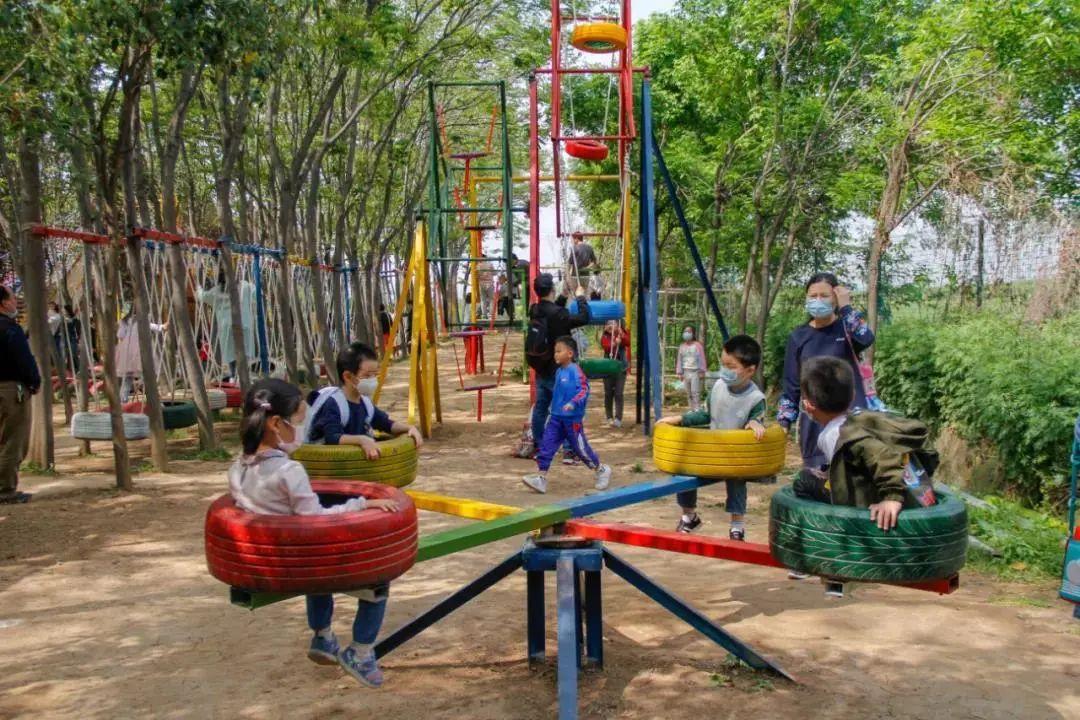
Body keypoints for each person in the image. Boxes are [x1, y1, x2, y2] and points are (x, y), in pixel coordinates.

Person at [229, 378, 400, 687]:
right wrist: (363, 505)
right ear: (276, 424)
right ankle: (360, 653)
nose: (302, 429)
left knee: (315, 557)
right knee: (378, 578)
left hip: (266, 559)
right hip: (300, 564)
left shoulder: (237, 468)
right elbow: (315, 522)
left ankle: (323, 635)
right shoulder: (289, 471)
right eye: (298, 421)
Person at [658, 335, 767, 540]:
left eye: (731, 366)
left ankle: (737, 526)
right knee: (686, 470)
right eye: (723, 364)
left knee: (736, 480)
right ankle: (689, 516)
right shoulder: (718, 386)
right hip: (712, 451)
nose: (724, 370)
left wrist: (755, 423)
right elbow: (705, 414)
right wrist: (679, 419)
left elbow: (757, 420)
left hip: (736, 457)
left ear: (750, 370)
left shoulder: (755, 399)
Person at [776, 272, 876, 483]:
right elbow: (791, 384)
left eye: (824, 295)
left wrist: (846, 307)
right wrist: (784, 422)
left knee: (855, 480)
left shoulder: (847, 328)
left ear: (836, 298)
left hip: (851, 420)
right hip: (815, 420)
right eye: (813, 296)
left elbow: (866, 338)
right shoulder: (798, 336)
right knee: (818, 482)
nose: (818, 300)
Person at [523, 335, 611, 494]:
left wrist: (573, 403)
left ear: (570, 354)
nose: (555, 354)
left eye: (559, 351)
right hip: (556, 418)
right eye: (555, 351)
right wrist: (552, 408)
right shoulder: (558, 372)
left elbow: (584, 390)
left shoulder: (575, 371)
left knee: (580, 449)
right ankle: (541, 478)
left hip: (572, 420)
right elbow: (557, 393)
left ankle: (601, 469)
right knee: (547, 446)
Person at [303, 342, 422, 457]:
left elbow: (386, 424)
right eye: (367, 375)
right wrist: (361, 440)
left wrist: (409, 428)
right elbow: (333, 437)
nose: (372, 380)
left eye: (375, 374)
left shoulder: (365, 404)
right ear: (348, 376)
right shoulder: (334, 404)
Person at [525, 273, 590, 457]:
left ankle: (540, 445)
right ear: (551, 289)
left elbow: (552, 314)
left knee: (541, 409)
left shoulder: (534, 309)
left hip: (541, 368)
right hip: (559, 371)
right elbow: (584, 318)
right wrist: (580, 297)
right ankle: (569, 450)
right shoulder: (559, 314)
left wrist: (562, 296)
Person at [0, 285, 40, 504]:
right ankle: (5, 490)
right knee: (13, 440)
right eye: (13, 298)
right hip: (10, 390)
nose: (16, 302)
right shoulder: (9, 329)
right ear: (4, 303)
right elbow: (24, 360)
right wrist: (34, 382)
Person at [196, 267, 257, 381]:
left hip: (227, 328)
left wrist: (198, 287)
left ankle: (235, 377)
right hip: (244, 325)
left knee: (231, 356)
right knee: (245, 354)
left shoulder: (217, 291)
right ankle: (244, 377)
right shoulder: (245, 286)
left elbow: (202, 296)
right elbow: (257, 293)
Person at [115, 303, 167, 403]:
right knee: (146, 375)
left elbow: (120, 336)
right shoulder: (142, 320)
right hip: (140, 352)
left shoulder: (124, 321)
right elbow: (156, 327)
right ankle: (152, 399)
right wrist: (162, 327)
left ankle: (123, 401)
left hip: (127, 353)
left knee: (127, 378)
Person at [599, 319, 630, 428]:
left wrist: (621, 335)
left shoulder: (622, 333)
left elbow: (628, 342)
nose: (610, 326)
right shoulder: (605, 336)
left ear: (618, 324)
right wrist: (615, 343)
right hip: (608, 368)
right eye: (608, 324)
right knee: (608, 393)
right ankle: (609, 417)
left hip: (620, 368)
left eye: (612, 323)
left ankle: (618, 418)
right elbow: (606, 347)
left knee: (618, 393)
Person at [675, 325, 707, 411]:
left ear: (693, 334)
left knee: (695, 392)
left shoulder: (698, 345)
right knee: (688, 393)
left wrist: (702, 371)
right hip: (685, 372)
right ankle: (691, 409)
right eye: (685, 331)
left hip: (695, 372)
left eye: (689, 331)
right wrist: (679, 373)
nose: (686, 333)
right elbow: (679, 360)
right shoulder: (682, 346)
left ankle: (697, 409)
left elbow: (702, 358)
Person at [61, 304, 81, 372]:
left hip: (72, 338)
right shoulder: (63, 318)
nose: (63, 312)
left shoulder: (73, 319)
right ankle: (71, 369)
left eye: (64, 310)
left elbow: (75, 325)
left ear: (67, 310)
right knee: (68, 354)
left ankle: (77, 369)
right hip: (66, 338)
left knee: (74, 354)